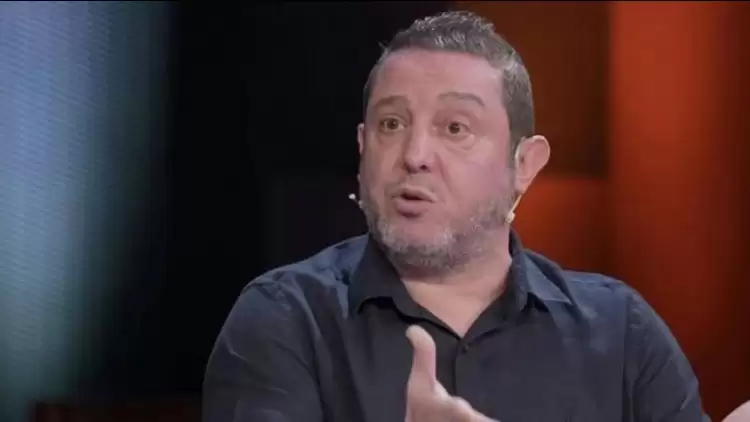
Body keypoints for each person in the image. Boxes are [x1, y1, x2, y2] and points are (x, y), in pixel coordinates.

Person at [202, 9, 747, 422]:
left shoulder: (622, 331)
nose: (415, 154)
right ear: (363, 149)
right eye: (392, 124)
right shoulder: (285, 319)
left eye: (455, 128)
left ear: (524, 165)